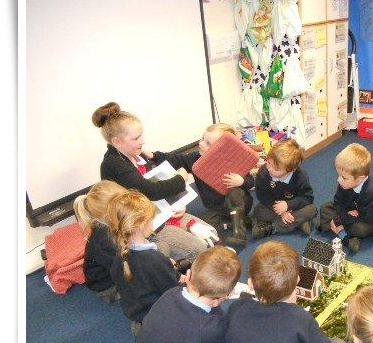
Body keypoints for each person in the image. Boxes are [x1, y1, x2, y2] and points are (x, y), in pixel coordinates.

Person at [93, 101, 217, 261]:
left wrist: (176, 205)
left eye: (141, 135)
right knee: (198, 248)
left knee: (211, 234)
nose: (142, 141)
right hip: (142, 228)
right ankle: (176, 264)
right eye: (136, 138)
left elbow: (158, 182)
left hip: (159, 215)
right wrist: (180, 179)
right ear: (117, 142)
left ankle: (184, 260)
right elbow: (151, 190)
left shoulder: (135, 154)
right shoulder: (114, 164)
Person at [127, 246, 241, 343]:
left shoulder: (170, 294)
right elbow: (227, 335)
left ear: (188, 274)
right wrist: (219, 308)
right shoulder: (211, 327)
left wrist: (216, 301)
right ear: (226, 295)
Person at [162, 123, 261, 249]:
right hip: (216, 208)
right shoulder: (195, 159)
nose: (201, 143)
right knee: (204, 223)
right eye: (202, 138)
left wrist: (241, 181)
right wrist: (153, 156)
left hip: (240, 204)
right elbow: (174, 159)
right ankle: (239, 222)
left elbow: (251, 181)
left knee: (235, 192)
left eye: (208, 143)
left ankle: (239, 233)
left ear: (221, 150)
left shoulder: (231, 161)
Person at [106, 190, 188, 336]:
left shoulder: (121, 252)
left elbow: (123, 277)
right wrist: (185, 282)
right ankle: (156, 329)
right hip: (159, 314)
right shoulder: (154, 259)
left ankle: (144, 326)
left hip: (137, 310)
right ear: (142, 224)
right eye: (152, 218)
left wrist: (167, 269)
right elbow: (173, 292)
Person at [318, 143, 373, 254]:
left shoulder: (372, 191)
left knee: (360, 229)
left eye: (343, 177)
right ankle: (349, 235)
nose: (339, 180)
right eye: (339, 175)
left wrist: (339, 219)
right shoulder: (344, 183)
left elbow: (367, 218)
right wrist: (345, 213)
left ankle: (342, 234)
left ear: (360, 178)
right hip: (350, 211)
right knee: (325, 207)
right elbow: (338, 202)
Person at [73, 180, 128, 303]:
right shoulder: (104, 241)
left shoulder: (109, 224)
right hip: (108, 288)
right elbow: (124, 270)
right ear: (109, 213)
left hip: (117, 268)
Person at [250, 139, 317, 239]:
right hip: (274, 205)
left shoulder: (300, 176)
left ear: (291, 170)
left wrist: (288, 205)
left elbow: (307, 198)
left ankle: (272, 228)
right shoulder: (263, 172)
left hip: (294, 205)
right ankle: (299, 223)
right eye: (268, 162)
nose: (269, 168)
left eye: (276, 169)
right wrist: (280, 211)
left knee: (312, 209)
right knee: (258, 211)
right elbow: (262, 196)